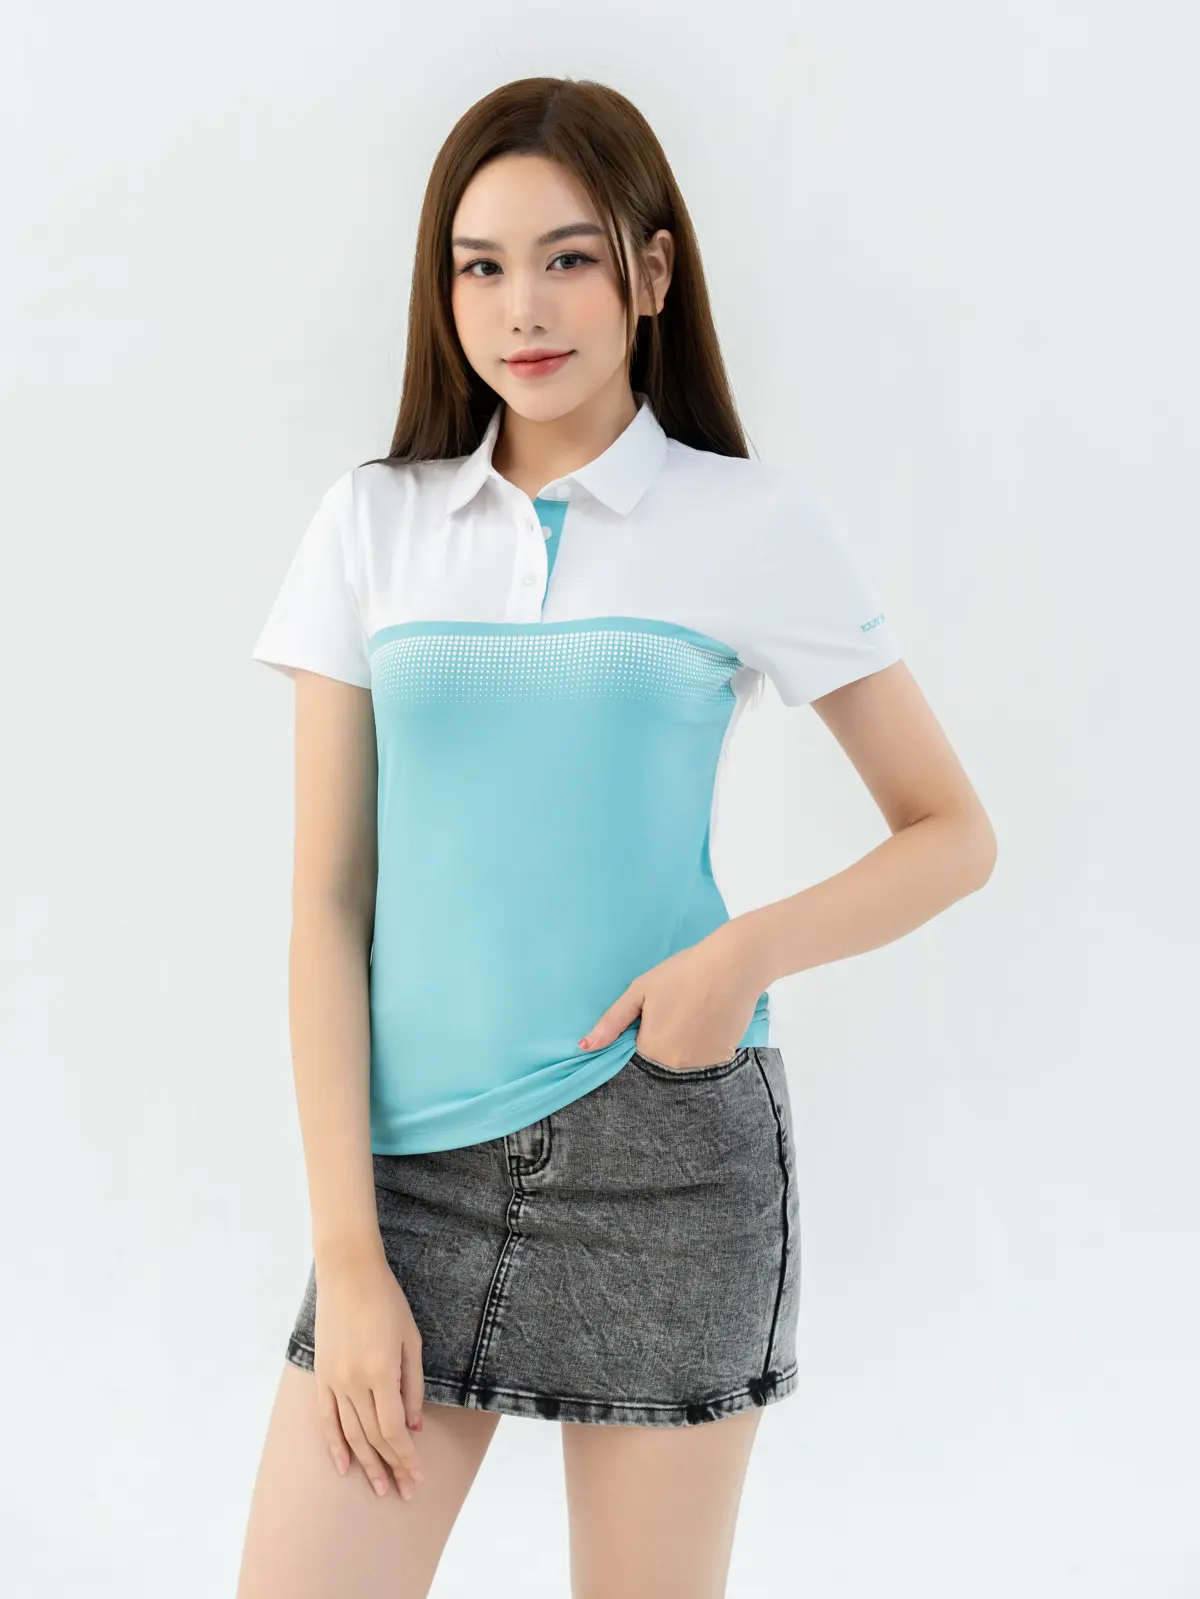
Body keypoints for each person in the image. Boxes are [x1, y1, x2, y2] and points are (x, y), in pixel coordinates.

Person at [235, 74, 996, 1599]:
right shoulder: (372, 526)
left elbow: (951, 832)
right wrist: (350, 1252)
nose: (523, 306)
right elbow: (327, 904)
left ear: (652, 273)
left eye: (569, 258)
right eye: (482, 265)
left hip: (669, 1158)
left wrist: (741, 956)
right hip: (407, 1180)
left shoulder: (749, 522)